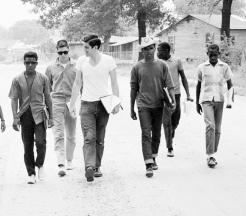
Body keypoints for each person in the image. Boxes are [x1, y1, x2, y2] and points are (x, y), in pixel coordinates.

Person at [69, 34, 120, 182]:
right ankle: (89, 167)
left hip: (104, 104)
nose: (84, 50)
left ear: (95, 47)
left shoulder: (108, 61)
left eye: (86, 47)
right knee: (89, 137)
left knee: (100, 138)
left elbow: (115, 83)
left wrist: (116, 102)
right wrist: (72, 104)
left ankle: (97, 166)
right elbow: (77, 84)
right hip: (86, 104)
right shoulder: (81, 61)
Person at [130, 37, 175, 178]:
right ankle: (148, 163)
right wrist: (131, 107)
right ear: (142, 51)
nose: (148, 51)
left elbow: (169, 85)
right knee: (145, 133)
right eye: (145, 48)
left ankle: (153, 156)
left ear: (154, 48)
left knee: (156, 134)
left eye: (150, 48)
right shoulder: (137, 67)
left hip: (159, 104)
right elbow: (133, 89)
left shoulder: (162, 65)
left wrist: (173, 101)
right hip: (143, 105)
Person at [9, 51, 53, 184]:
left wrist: (51, 116)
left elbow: (48, 98)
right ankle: (31, 173)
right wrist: (15, 117)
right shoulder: (17, 79)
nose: (29, 65)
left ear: (36, 63)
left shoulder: (43, 78)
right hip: (25, 115)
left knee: (41, 142)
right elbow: (14, 99)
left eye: (32, 63)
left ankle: (40, 165)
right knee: (27, 145)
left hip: (39, 113)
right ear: (24, 63)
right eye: (27, 62)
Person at [195, 44, 234, 168]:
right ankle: (210, 155)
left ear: (218, 54)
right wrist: (197, 102)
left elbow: (230, 84)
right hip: (206, 100)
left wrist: (230, 100)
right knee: (210, 126)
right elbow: (198, 85)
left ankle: (213, 152)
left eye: (215, 54)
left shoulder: (224, 67)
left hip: (219, 100)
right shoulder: (201, 67)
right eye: (210, 54)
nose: (212, 56)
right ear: (207, 54)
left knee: (217, 128)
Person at [45, 40, 77, 177]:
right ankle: (61, 164)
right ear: (56, 51)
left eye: (65, 52)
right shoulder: (51, 67)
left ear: (68, 50)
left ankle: (69, 160)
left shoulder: (76, 66)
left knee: (71, 135)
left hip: (72, 101)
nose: (63, 54)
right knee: (58, 134)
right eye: (60, 52)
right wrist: (46, 105)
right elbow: (46, 87)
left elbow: (81, 85)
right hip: (56, 101)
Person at [157, 42, 194, 157]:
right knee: (166, 122)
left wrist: (188, 94)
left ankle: (171, 132)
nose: (157, 53)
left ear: (167, 50)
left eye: (160, 50)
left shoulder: (177, 61)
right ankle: (170, 147)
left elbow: (183, 77)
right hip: (163, 95)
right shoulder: (157, 62)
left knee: (176, 119)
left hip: (176, 94)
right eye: (157, 50)